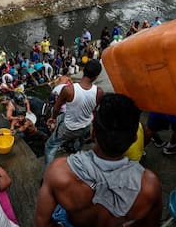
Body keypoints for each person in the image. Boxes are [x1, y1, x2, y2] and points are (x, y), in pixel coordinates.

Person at [35, 93, 162, 226]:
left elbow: (42, 223)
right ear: (134, 138)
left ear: (92, 132)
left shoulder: (59, 172)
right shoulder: (149, 186)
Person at [44, 59, 104, 167]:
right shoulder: (99, 92)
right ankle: (75, 150)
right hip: (86, 126)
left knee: (50, 146)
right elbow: (94, 110)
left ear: (83, 70)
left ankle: (48, 174)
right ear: (96, 76)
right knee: (80, 139)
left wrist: (52, 118)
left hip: (69, 128)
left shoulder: (69, 90)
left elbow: (56, 109)